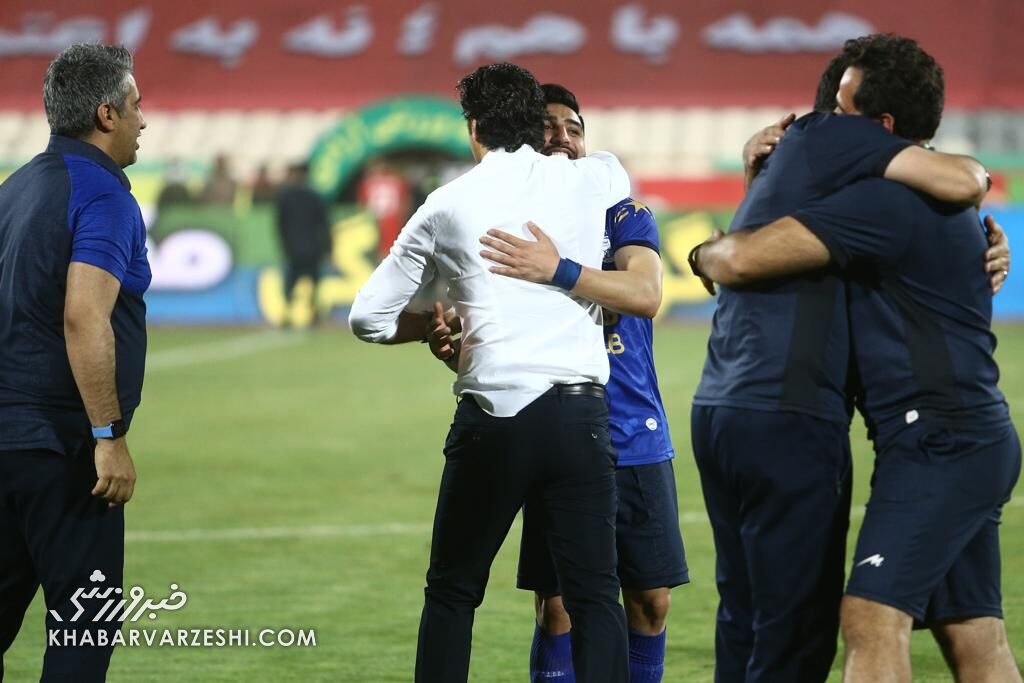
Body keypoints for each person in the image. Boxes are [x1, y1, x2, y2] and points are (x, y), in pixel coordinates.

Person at [690, 34, 1020, 682]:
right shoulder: (924, 199)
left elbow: (745, 258)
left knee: (870, 617)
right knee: (975, 637)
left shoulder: (880, 201)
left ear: (879, 130)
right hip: (958, 436)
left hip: (941, 441)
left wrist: (704, 252)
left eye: (842, 113)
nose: (822, 124)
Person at [348, 63, 632, 682]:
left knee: (453, 592)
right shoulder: (598, 176)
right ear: (536, 124)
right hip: (579, 415)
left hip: (493, 418)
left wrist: (436, 325)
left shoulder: (446, 204)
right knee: (594, 596)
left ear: (473, 128)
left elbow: (368, 317)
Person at [428, 83, 687, 683]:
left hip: (633, 430)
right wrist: (459, 354)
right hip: (555, 430)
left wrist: (559, 269)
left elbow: (645, 293)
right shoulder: (506, 225)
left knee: (651, 601)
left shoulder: (622, 214)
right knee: (560, 607)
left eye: (575, 128)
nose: (563, 138)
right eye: (549, 127)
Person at [0, 43, 149, 681]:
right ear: (106, 114)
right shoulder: (104, 195)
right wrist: (107, 436)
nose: (144, 120)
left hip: (6, 441)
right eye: (136, 105)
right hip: (61, 448)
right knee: (84, 631)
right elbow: (85, 316)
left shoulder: (14, 189)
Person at [274, 162, 332, 326]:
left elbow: (281, 225)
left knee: (293, 281)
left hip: (296, 248)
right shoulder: (314, 196)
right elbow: (324, 224)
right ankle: (312, 314)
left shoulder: (287, 197)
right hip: (312, 247)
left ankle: (289, 313)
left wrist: (285, 244)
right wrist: (328, 247)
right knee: (312, 281)